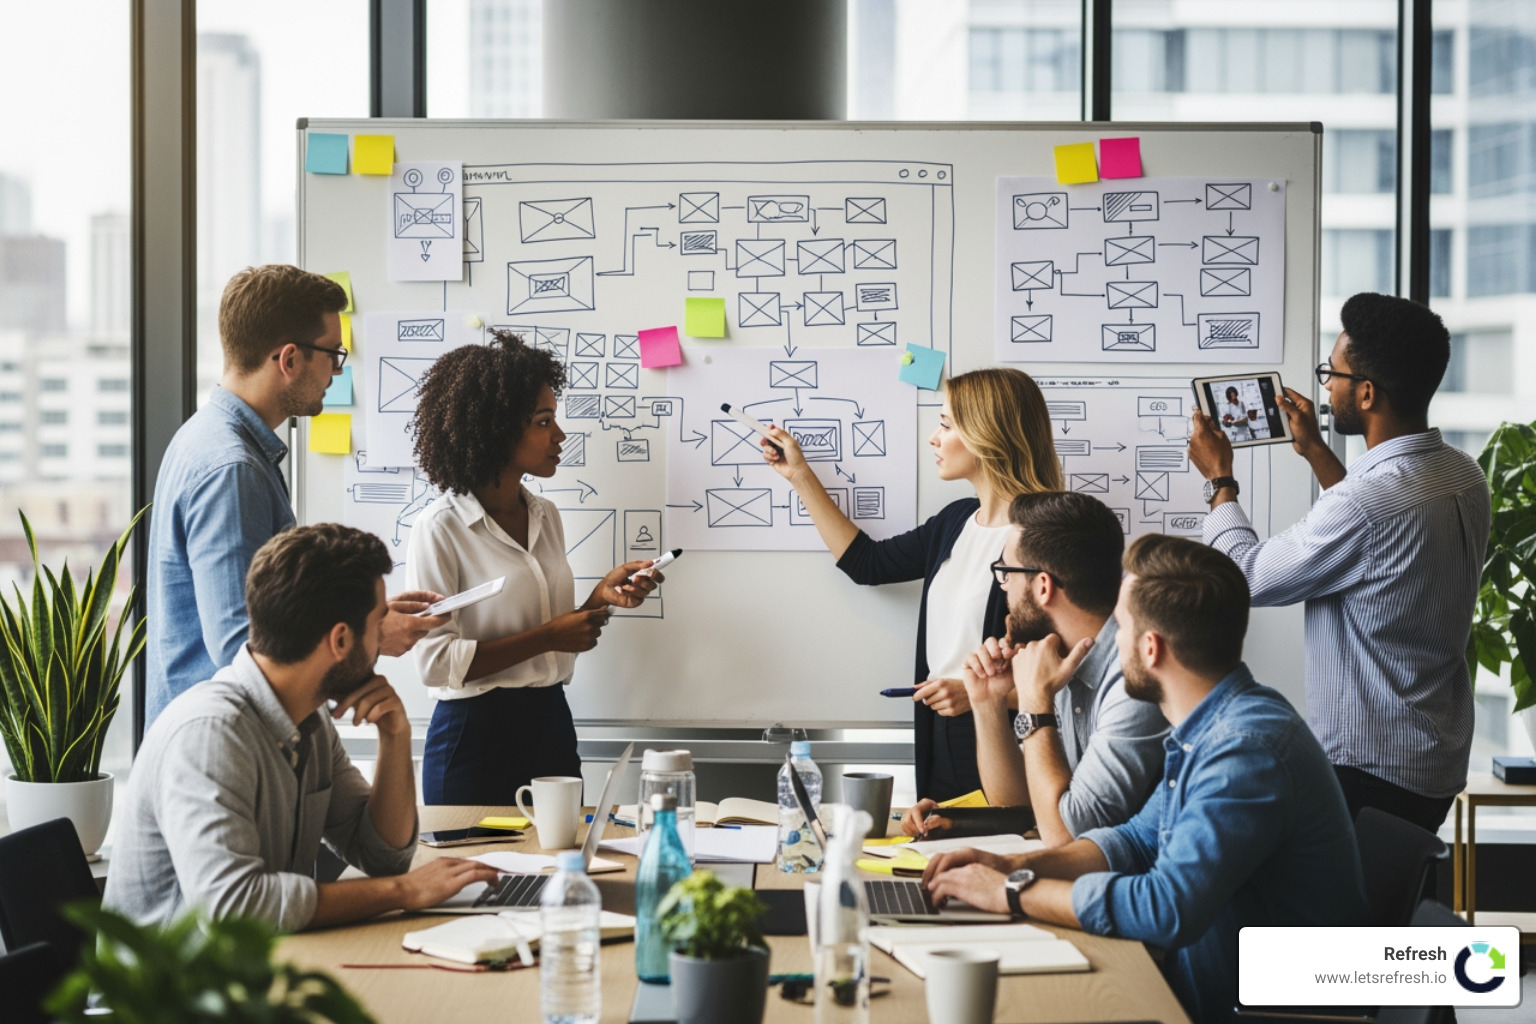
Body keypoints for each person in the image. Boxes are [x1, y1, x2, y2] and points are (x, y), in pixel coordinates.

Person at [923, 535, 1368, 1024]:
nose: (1112, 642)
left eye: (1122, 627)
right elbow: (1132, 842)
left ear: (1150, 648)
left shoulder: (1247, 748)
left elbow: (1166, 907)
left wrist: (1010, 892)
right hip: (1198, 992)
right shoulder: (1209, 727)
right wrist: (1006, 866)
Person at [1189, 292, 1491, 833]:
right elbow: (1380, 541)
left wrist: (1220, 480)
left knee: (1342, 914)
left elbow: (1244, 575)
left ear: (1368, 393)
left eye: (1333, 372)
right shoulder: (1463, 474)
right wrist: (1316, 454)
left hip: (1371, 769)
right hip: (1431, 754)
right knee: (1386, 897)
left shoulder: (1366, 506)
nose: (1326, 385)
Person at [105, 524, 501, 932]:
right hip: (178, 991)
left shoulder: (309, 721)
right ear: (341, 640)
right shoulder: (211, 734)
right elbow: (232, 908)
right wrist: (403, 892)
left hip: (266, 967)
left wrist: (395, 737)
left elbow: (383, 854)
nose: (384, 634)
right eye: (379, 621)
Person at [145, 265, 444, 725]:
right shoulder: (232, 469)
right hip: (226, 747)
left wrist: (363, 616)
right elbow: (240, 642)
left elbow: (273, 614)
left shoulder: (211, 441)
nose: (338, 370)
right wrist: (368, 638)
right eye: (333, 354)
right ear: (289, 359)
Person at [761, 368, 1062, 801]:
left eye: (945, 425)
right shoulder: (955, 521)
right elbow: (867, 563)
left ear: (986, 433)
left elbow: (1071, 674)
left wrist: (981, 696)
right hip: (938, 732)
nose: (933, 439)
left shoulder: (1047, 536)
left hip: (1004, 735)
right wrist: (800, 475)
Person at [405, 330, 663, 804]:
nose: (559, 436)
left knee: (558, 872)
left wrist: (598, 600)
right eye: (544, 422)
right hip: (473, 738)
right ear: (496, 429)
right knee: (480, 878)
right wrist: (549, 637)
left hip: (550, 723)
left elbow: (554, 637)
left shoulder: (546, 516)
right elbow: (435, 663)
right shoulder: (441, 528)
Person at [901, 491, 1167, 844]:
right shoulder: (1055, 655)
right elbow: (1019, 806)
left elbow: (1066, 835)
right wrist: (988, 702)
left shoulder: (1134, 682)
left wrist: (1034, 700)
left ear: (1043, 586)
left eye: (1006, 572)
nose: (1003, 586)